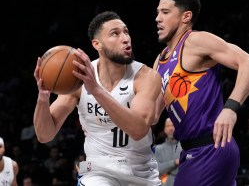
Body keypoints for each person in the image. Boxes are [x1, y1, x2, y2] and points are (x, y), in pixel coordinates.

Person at [33, 11, 162, 185]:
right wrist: (43, 98)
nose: (125, 38)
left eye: (126, 31)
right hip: (97, 170)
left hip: (140, 170)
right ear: (97, 44)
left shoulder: (146, 77)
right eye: (115, 34)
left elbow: (138, 130)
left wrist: (96, 90)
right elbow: (44, 135)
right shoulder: (78, 79)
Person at [153, 0, 249, 186]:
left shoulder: (196, 40)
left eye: (165, 12)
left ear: (186, 16)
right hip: (192, 151)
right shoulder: (159, 61)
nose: (158, 18)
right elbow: (151, 115)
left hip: (210, 148)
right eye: (158, 12)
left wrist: (230, 108)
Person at [154, 118, 182, 186]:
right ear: (164, 130)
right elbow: (157, 170)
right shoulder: (158, 149)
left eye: (173, 125)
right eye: (168, 126)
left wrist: (166, 168)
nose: (170, 128)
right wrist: (175, 162)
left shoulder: (184, 147)